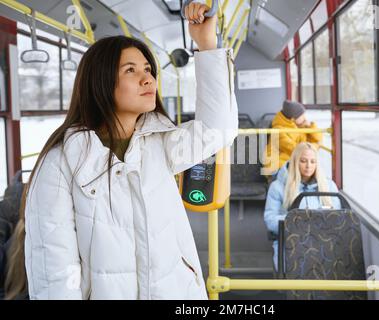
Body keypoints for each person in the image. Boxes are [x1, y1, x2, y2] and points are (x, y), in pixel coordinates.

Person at [5, 3, 238, 300]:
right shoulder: (62, 162)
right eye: (131, 70)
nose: (148, 79)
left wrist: (206, 45)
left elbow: (219, 130)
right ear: (101, 81)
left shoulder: (160, 144)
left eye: (148, 70)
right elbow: (55, 271)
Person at [263, 143, 341, 271]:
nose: (308, 166)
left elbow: (337, 218)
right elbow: (270, 220)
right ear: (295, 162)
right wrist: (297, 220)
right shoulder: (278, 186)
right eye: (303, 161)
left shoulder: (329, 186)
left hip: (322, 241)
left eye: (313, 161)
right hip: (291, 242)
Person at [262, 100, 323, 178]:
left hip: (292, 164)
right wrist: (316, 146)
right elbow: (296, 150)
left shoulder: (300, 126)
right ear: (293, 119)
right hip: (277, 166)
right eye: (302, 116)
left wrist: (310, 126)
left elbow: (318, 138)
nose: (305, 118)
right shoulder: (278, 130)